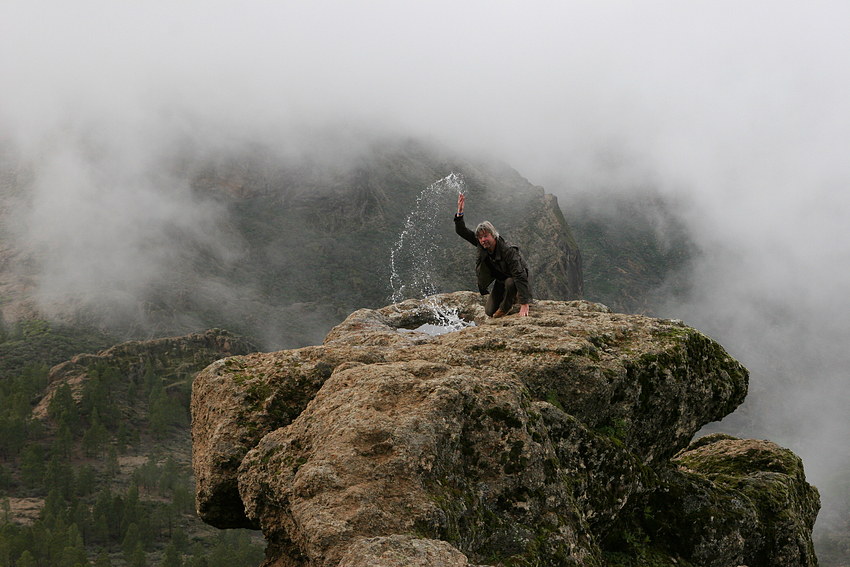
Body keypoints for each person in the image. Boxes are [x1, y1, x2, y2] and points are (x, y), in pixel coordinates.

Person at [454, 193, 532, 317]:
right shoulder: (481, 245)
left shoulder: (507, 250)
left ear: (493, 235)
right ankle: (510, 296)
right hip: (501, 280)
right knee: (489, 312)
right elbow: (461, 231)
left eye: (486, 236)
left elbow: (520, 275)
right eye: (480, 237)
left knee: (511, 283)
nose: (483, 240)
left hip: (514, 278)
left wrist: (524, 303)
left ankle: (507, 306)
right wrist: (460, 212)